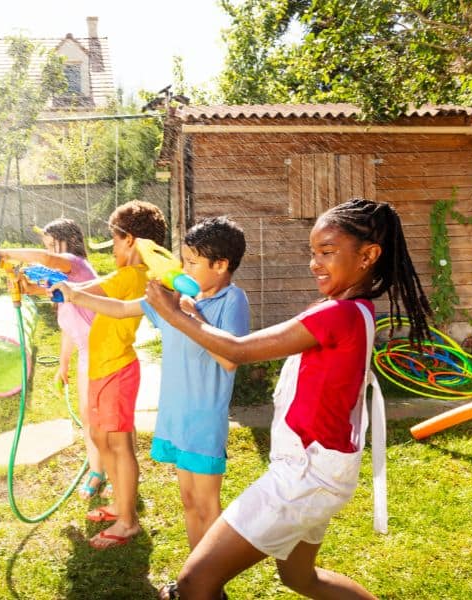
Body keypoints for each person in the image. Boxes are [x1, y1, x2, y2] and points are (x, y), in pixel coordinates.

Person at [146, 198, 432, 599]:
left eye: (327, 253)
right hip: (325, 470)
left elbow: (238, 350)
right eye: (313, 252)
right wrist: (190, 315)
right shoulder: (356, 310)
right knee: (300, 578)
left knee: (194, 583)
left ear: (368, 255)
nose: (315, 263)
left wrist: (175, 314)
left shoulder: (336, 314)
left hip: (305, 474)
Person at [53, 216, 250, 564]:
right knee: (189, 503)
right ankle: (195, 578)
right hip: (174, 417)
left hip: (204, 421)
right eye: (183, 260)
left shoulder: (232, 301)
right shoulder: (174, 297)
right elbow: (120, 309)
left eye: (192, 263)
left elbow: (230, 358)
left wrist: (186, 314)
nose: (183, 269)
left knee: (207, 505)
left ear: (220, 266)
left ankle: (212, 582)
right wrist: (75, 295)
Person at [62, 200, 167, 550]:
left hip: (117, 370)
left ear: (131, 241)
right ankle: (120, 505)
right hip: (102, 368)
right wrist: (45, 285)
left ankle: (128, 522)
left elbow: (88, 294)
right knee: (101, 437)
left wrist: (64, 289)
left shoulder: (132, 276)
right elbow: (79, 293)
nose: (113, 249)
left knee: (119, 444)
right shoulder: (128, 275)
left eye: (115, 240)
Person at [0, 218, 110, 500]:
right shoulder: (64, 283)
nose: (49, 251)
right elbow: (68, 327)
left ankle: (115, 472)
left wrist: (3, 252)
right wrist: (63, 364)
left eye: (54, 245)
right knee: (89, 419)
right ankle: (97, 471)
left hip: (104, 352)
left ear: (68, 243)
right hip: (89, 353)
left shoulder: (74, 263)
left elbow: (45, 259)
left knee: (103, 419)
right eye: (47, 245)